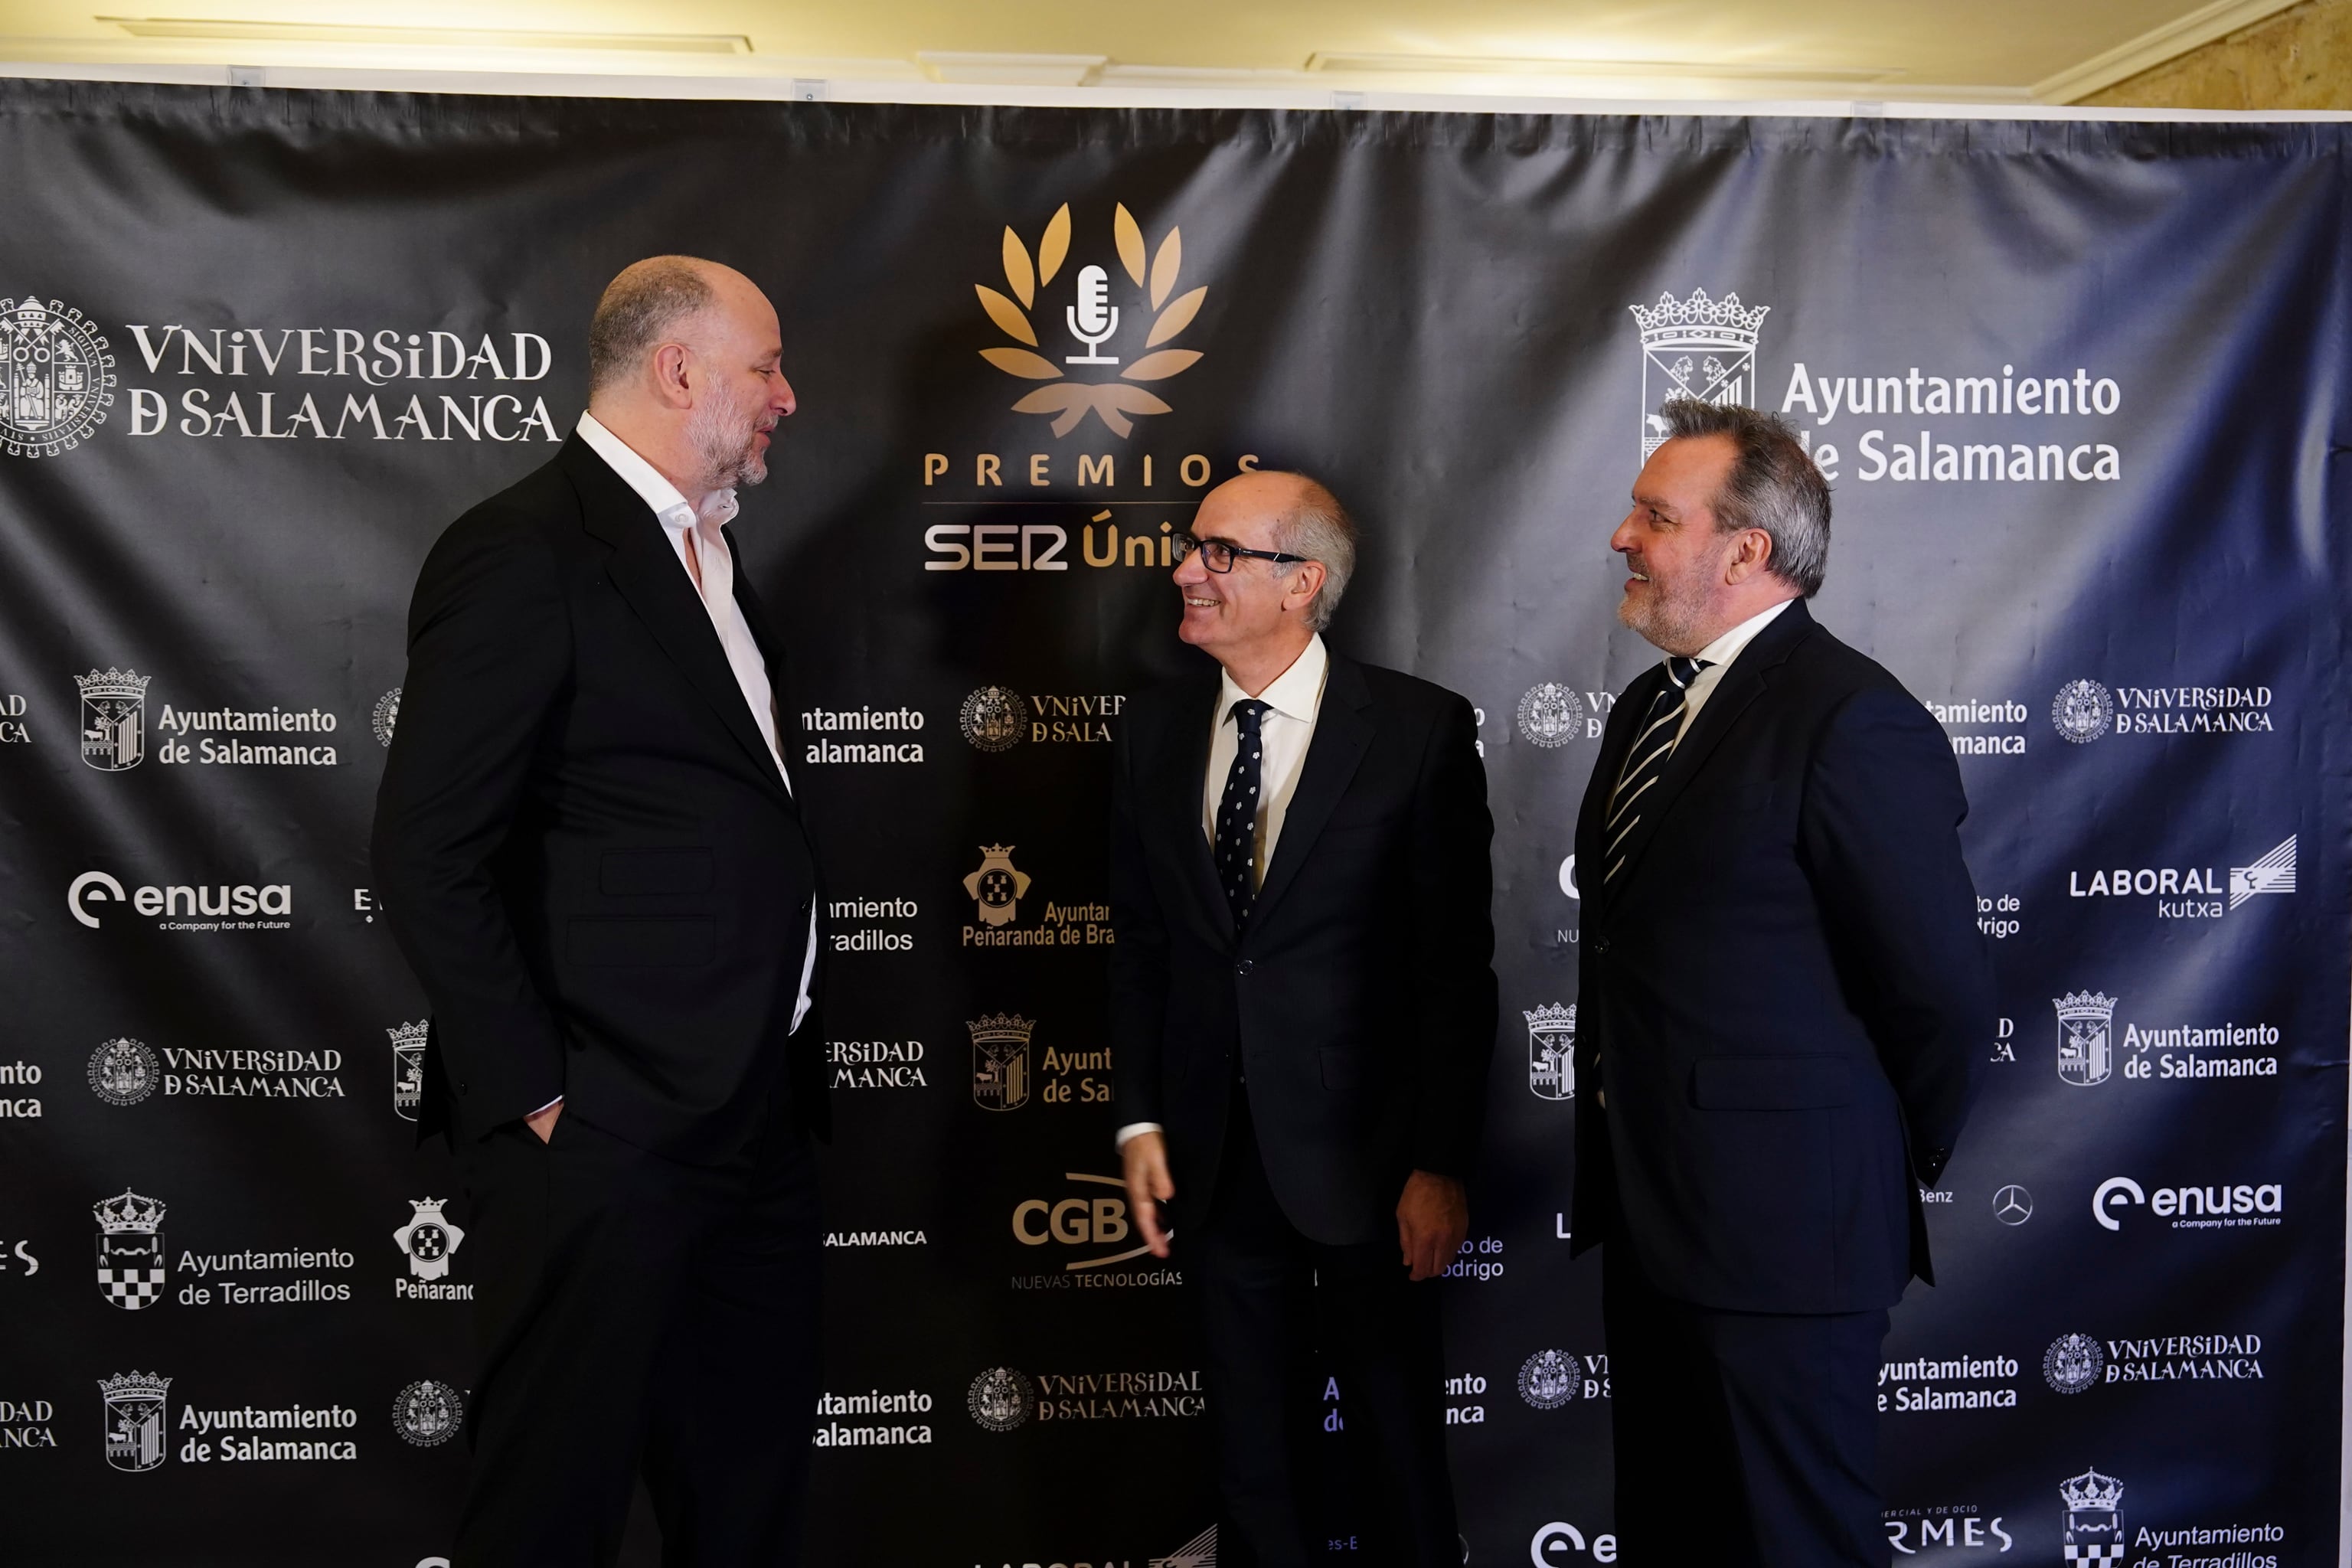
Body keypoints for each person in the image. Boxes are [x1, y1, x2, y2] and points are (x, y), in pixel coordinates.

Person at [372, 256, 826, 1566]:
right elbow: (425, 845)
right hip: (605, 1131)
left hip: (756, 1117)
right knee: (551, 1508)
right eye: (767, 366)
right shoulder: (522, 550)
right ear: (679, 371)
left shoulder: (713, 555)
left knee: (746, 1504)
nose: (788, 397)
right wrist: (542, 1095)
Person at [1570, 400, 1992, 1566]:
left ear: (1745, 551)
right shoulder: (1648, 710)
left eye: (1656, 516)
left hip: (1791, 1232)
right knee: (1677, 1532)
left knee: (1793, 1544)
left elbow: (1941, 995)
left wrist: (1854, 1156)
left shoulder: (1852, 718)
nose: (1622, 536)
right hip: (1652, 1221)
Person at [1110, 469, 1497, 1567]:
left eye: (1221, 553)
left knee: (1398, 1446)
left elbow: (1452, 971)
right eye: (1194, 548)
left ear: (1303, 583)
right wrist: (1139, 1124)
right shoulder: (1151, 733)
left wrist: (1439, 1162)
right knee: (1252, 1460)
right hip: (1217, 1164)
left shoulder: (1418, 730)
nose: (1187, 570)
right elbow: (1142, 945)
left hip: (1375, 1170)